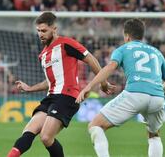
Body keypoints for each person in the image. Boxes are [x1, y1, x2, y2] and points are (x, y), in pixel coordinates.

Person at [6, 12, 115, 157]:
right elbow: (51, 81)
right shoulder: (43, 55)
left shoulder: (66, 44)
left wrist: (104, 82)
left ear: (54, 29)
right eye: (38, 31)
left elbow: (90, 59)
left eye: (44, 30)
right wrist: (29, 88)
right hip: (51, 97)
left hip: (67, 97)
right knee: (28, 132)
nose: (40, 34)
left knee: (45, 137)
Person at [76, 19, 165, 157]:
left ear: (127, 36)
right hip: (158, 97)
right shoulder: (156, 52)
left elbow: (111, 67)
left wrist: (89, 86)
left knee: (95, 125)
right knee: (154, 135)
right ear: (142, 35)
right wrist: (155, 90)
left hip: (135, 94)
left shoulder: (123, 49)